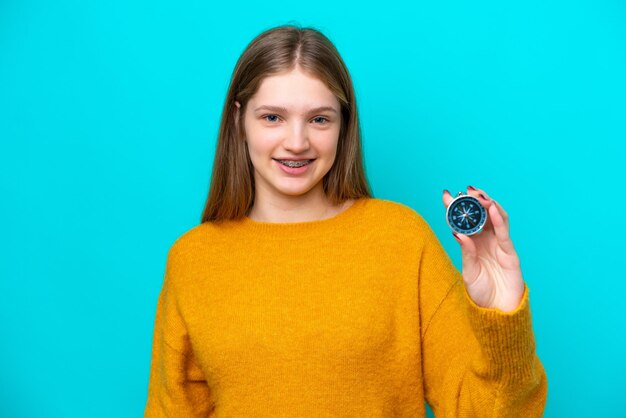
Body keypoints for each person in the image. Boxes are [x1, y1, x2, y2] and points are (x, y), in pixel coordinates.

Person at [144, 24, 547, 417]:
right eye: (272, 118)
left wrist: (501, 315)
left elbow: (485, 412)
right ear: (238, 120)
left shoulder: (401, 240)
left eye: (320, 119)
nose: (297, 141)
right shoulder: (193, 259)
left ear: (343, 124)